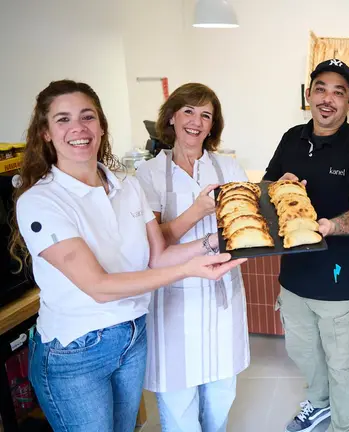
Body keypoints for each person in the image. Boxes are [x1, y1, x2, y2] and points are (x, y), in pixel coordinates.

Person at [9, 80, 243, 432]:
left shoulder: (125, 184)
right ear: (44, 132)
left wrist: (216, 242)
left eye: (87, 117)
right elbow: (99, 286)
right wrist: (191, 268)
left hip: (132, 334)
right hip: (77, 350)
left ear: (101, 126)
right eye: (63, 119)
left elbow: (159, 255)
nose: (78, 128)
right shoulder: (42, 201)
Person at [263, 59, 349, 432]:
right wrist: (277, 187)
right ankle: (318, 404)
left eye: (338, 92)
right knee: (302, 351)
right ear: (309, 94)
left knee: (342, 363)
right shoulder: (291, 137)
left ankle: (343, 426)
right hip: (295, 275)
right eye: (321, 89)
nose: (327, 99)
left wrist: (329, 226)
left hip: (339, 277)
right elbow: (266, 192)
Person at [135, 83, 250, 432]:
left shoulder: (228, 168)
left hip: (220, 298)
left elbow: (244, 227)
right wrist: (198, 211)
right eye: (188, 111)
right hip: (172, 300)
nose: (196, 121)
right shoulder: (148, 174)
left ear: (213, 125)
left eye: (206, 115)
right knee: (179, 406)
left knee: (220, 398)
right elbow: (154, 247)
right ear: (171, 117)